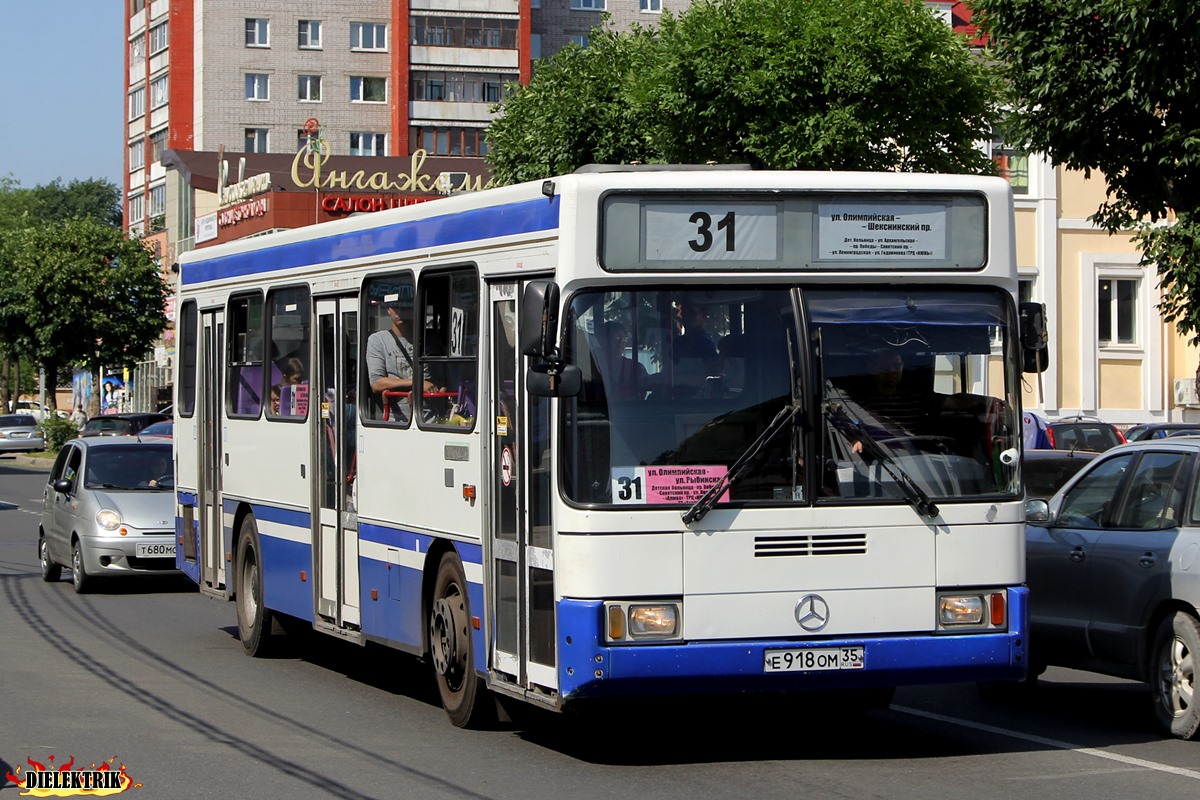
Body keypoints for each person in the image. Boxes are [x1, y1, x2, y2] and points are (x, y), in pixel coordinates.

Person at [364, 301, 435, 422]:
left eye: (405, 306)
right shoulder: (378, 340)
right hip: (397, 422)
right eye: (395, 307)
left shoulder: (430, 340)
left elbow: (441, 379)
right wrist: (417, 383)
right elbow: (377, 383)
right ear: (388, 309)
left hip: (431, 419)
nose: (400, 312)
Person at [596, 322, 648, 401]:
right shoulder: (591, 364)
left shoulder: (636, 368)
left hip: (628, 411)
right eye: (616, 338)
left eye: (624, 339)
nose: (621, 343)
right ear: (603, 340)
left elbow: (641, 395)